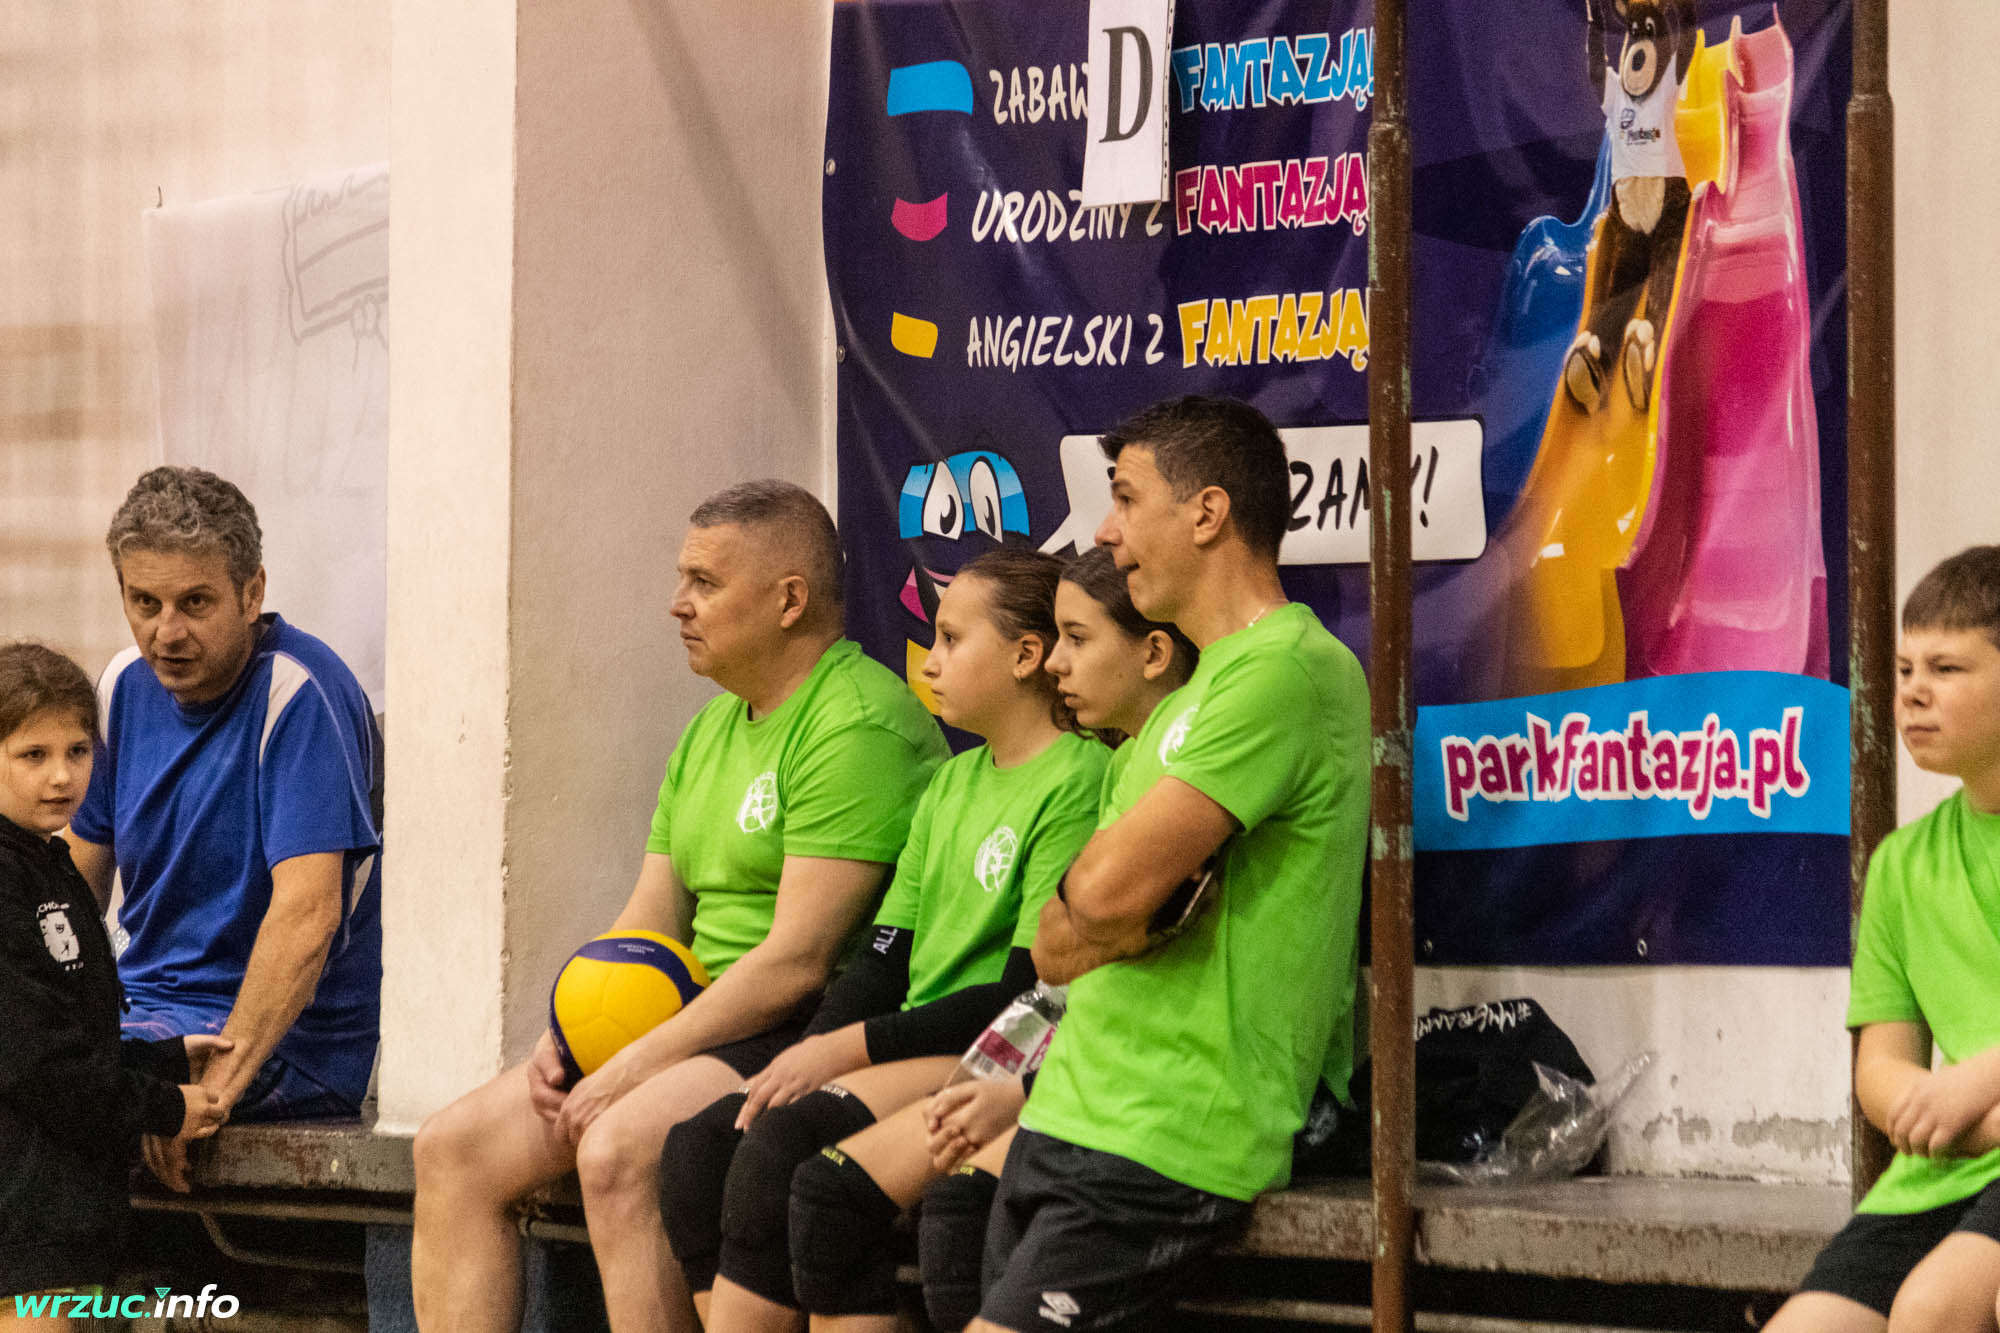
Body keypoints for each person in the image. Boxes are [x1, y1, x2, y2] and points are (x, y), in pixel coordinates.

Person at [412, 480, 947, 1333]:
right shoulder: (710, 731)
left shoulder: (857, 724)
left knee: (616, 1147)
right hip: (696, 1013)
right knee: (452, 1147)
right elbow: (645, 926)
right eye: (682, 578)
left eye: (704, 581)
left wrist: (631, 1065)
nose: (677, 603)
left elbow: (798, 963)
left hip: (796, 1028)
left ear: (789, 601)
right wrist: (570, 1034)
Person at [967, 395, 1370, 1333]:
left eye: (1125, 498)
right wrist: (1118, 905)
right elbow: (1055, 943)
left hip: (1169, 1135)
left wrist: (1111, 902)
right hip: (1069, 1111)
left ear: (1207, 513)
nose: (1105, 532)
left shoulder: (1287, 670)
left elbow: (1105, 891)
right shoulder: (1180, 704)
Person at [658, 547, 1109, 1333]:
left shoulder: (1078, 779)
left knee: (786, 1152)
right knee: (701, 1149)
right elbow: (884, 953)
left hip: (992, 1043)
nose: (929, 662)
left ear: (1025, 656)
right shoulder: (953, 781)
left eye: (951, 640)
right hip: (914, 1039)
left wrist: (842, 1050)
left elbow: (1025, 991)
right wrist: (811, 1051)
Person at [786, 546, 1198, 1333]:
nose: (1059, 663)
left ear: (1152, 653)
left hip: (1090, 1071)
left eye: (1077, 639)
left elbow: (1052, 970)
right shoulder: (1082, 770)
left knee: (956, 1207)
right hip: (1047, 1052)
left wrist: (1023, 1089)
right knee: (817, 1189)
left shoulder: (1099, 772)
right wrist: (817, 1048)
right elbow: (1055, 957)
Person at [65, 467, 384, 1190]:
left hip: (283, 1041)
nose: (166, 631)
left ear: (252, 592)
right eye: (144, 602)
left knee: (63, 1100)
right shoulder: (121, 686)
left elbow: (308, 917)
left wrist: (203, 1098)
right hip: (145, 1014)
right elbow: (74, 889)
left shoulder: (299, 693)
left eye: (195, 602)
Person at [1765, 546, 2000, 1333]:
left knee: (1932, 1309)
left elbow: (1951, 1092)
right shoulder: (1901, 863)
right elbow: (1882, 1065)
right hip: (1939, 1172)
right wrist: (1945, 1112)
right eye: (1904, 670)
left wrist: (1967, 1087)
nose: (1913, 693)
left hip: (1963, 1140)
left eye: (1947, 668)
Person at [0, 643, 230, 1323]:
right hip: (21, 1219)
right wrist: (163, 1105)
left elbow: (70, 1032)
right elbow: (37, 1063)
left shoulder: (50, 865)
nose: (62, 775)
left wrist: (165, 1057)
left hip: (63, 1212)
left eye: (78, 750)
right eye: (33, 755)